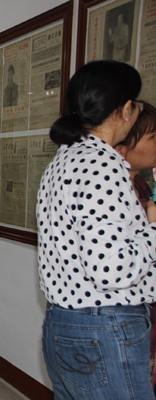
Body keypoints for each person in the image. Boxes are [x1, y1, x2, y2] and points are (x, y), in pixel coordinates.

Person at [38, 60, 156, 399]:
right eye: (137, 105)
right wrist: (153, 228)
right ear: (126, 109)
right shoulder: (102, 164)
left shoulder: (65, 158)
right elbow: (110, 269)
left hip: (67, 324)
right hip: (104, 328)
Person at [114, 101, 156, 396]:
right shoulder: (109, 193)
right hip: (126, 316)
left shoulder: (141, 186)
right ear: (122, 147)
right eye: (152, 137)